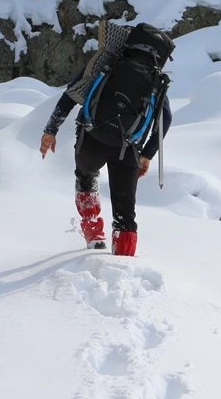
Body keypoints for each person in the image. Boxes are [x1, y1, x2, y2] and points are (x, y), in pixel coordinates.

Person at [38, 27, 173, 258]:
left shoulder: (106, 65)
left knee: (86, 176)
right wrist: (147, 154)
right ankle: (124, 260)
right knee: (125, 213)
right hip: (127, 147)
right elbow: (166, 119)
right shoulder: (155, 79)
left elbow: (71, 94)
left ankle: (94, 235)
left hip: (91, 139)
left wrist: (51, 130)